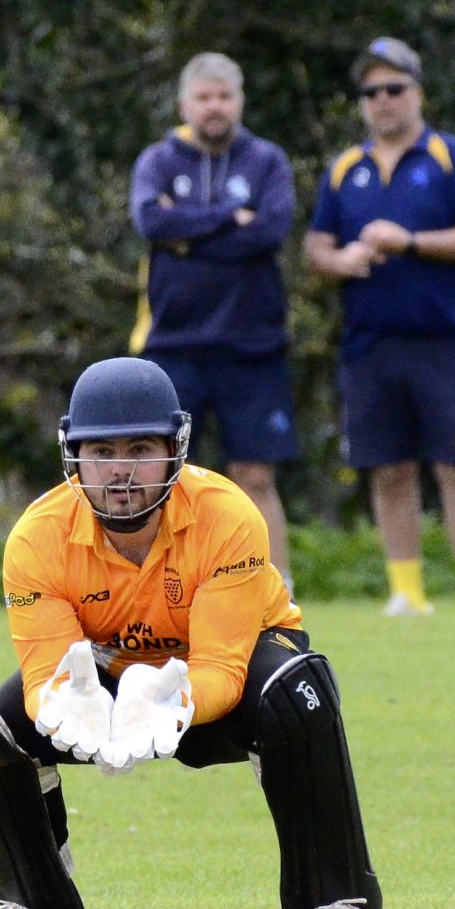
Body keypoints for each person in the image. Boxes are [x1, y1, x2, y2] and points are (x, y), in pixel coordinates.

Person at [0, 357, 382, 909]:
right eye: (101, 454)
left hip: (230, 665)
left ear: (175, 449)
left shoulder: (226, 515)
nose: (120, 473)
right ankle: (33, 907)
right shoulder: (36, 536)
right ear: (73, 455)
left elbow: (224, 670)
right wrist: (68, 708)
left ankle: (337, 904)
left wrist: (169, 701)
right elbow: (47, 674)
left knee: (295, 692)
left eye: (138, 450)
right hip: (112, 671)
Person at [304, 37, 455, 616]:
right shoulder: (346, 169)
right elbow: (316, 244)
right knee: (387, 468)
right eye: (372, 92)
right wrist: (339, 260)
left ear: (417, 92)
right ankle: (407, 594)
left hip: (444, 340)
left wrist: (410, 241)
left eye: (394, 88)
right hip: (369, 344)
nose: (384, 100)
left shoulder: (451, 157)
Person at [128, 52, 299, 587]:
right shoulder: (158, 160)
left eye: (224, 97)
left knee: (255, 476)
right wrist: (229, 219)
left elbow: (269, 232)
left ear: (240, 101)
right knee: (166, 477)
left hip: (253, 346)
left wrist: (190, 239)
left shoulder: (267, 160)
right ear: (185, 104)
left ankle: (274, 589)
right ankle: (163, 587)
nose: (215, 107)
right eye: (204, 98)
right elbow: (151, 220)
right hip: (173, 347)